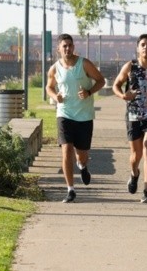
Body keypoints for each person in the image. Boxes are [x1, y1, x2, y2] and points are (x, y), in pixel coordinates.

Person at [46, 33, 106, 203]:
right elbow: (49, 87)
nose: (67, 48)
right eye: (64, 46)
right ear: (58, 49)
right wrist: (54, 96)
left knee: (82, 154)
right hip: (64, 114)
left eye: (70, 45)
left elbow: (101, 81)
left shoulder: (84, 64)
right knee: (66, 150)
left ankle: (83, 166)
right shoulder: (54, 69)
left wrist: (88, 92)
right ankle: (70, 189)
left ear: (73, 47)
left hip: (84, 115)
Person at [112, 34, 147, 203]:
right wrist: (123, 96)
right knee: (136, 155)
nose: (146, 47)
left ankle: (146, 190)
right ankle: (134, 173)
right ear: (137, 48)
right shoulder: (130, 66)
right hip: (134, 113)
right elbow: (115, 85)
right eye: (142, 44)